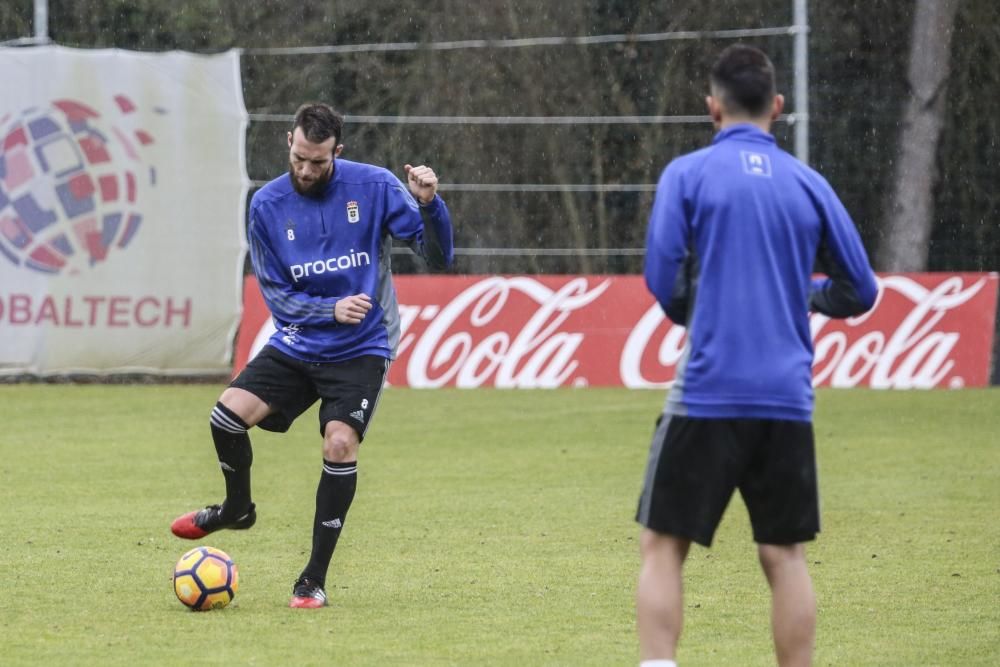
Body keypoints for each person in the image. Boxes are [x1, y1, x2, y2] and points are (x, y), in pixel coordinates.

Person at [635, 45, 878, 666]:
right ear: (777, 106)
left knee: (664, 545)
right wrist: (809, 295)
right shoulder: (808, 183)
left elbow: (663, 278)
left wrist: (707, 308)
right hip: (786, 400)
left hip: (707, 393)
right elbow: (861, 290)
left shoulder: (686, 175)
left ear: (712, 107)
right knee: (784, 555)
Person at [171, 102, 454, 609]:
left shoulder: (375, 186)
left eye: (318, 162)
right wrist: (329, 308)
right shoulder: (267, 204)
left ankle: (312, 580)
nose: (305, 170)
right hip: (300, 338)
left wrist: (430, 205)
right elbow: (276, 295)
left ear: (337, 153)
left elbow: (437, 257)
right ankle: (238, 508)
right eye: (299, 157)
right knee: (226, 418)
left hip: (363, 347)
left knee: (340, 443)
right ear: (289, 142)